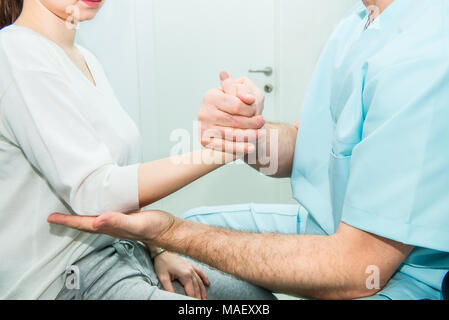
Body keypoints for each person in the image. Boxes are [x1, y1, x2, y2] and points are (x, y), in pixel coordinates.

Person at [50, 0, 449, 300]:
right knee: (191, 247)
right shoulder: (356, 25)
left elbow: (358, 268)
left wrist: (170, 231)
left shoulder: (423, 53)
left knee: (185, 238)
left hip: (387, 271)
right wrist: (244, 132)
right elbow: (308, 149)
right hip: (328, 225)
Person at [0, 0, 275, 300]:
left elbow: (116, 174)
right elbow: (94, 192)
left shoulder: (86, 59)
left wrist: (158, 248)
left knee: (255, 298)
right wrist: (224, 149)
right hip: (66, 281)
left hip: (126, 252)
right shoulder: (15, 54)